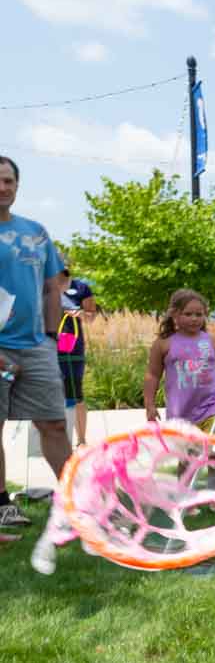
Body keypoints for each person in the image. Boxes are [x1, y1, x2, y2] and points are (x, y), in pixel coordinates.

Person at [0, 155, 73, 529]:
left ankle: (79, 502)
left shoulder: (36, 232)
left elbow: (52, 287)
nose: (3, 187)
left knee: (54, 424)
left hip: (35, 346)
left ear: (17, 185)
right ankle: (3, 508)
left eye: (9, 181)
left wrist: (48, 336)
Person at [144, 289, 215, 432]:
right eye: (188, 314)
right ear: (175, 314)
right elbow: (152, 375)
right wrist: (150, 406)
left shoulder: (212, 342)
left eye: (199, 314)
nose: (194, 318)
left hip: (214, 407)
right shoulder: (163, 344)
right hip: (180, 415)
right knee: (188, 454)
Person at [56, 261, 97, 448]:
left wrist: (78, 313)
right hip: (46, 346)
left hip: (71, 345)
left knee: (75, 393)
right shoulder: (42, 286)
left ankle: (81, 440)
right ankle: (55, 439)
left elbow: (91, 317)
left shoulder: (81, 287)